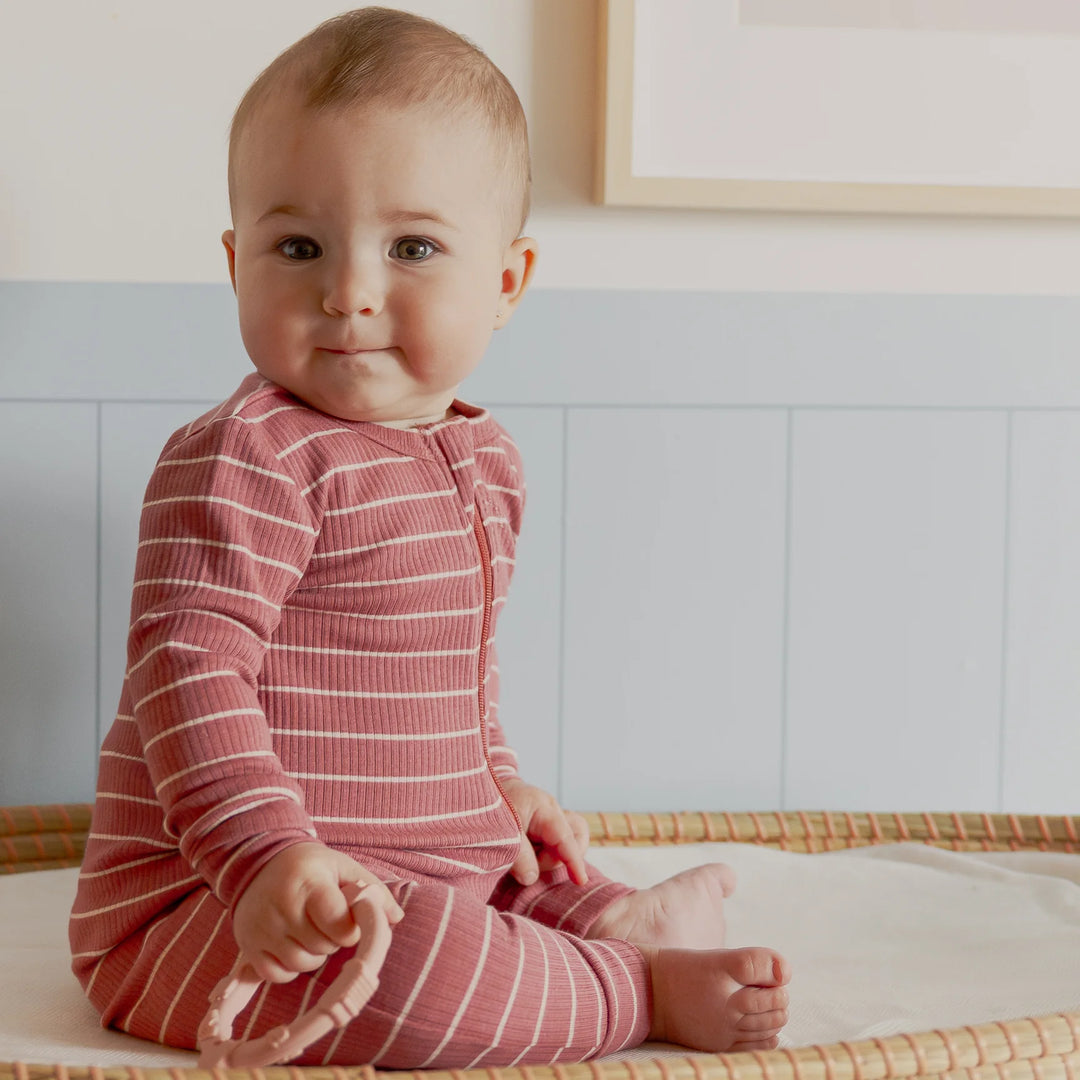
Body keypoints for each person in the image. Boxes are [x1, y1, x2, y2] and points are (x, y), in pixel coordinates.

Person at [69, 7, 790, 1067]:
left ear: (506, 281)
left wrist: (496, 781)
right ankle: (633, 992)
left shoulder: (488, 460)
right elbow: (189, 671)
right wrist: (264, 854)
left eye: (412, 246)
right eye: (297, 245)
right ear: (236, 264)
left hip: (429, 861)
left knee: (523, 883)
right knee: (416, 974)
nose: (349, 291)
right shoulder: (247, 454)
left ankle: (604, 925)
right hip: (220, 899)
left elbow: (450, 675)